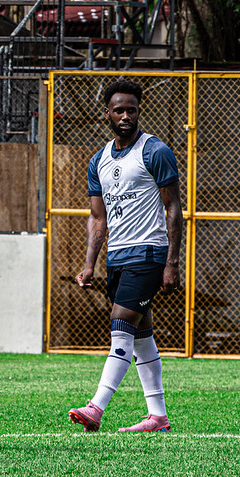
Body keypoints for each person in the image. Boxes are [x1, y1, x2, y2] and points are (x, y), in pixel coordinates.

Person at [68, 79, 182, 434]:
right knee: (141, 335)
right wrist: (89, 264)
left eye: (132, 109)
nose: (126, 116)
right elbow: (98, 218)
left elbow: (174, 208)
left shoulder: (155, 151)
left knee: (120, 326)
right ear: (107, 113)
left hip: (148, 253)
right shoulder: (98, 160)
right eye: (119, 110)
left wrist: (172, 262)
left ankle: (96, 407)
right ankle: (157, 416)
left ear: (138, 112)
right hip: (116, 257)